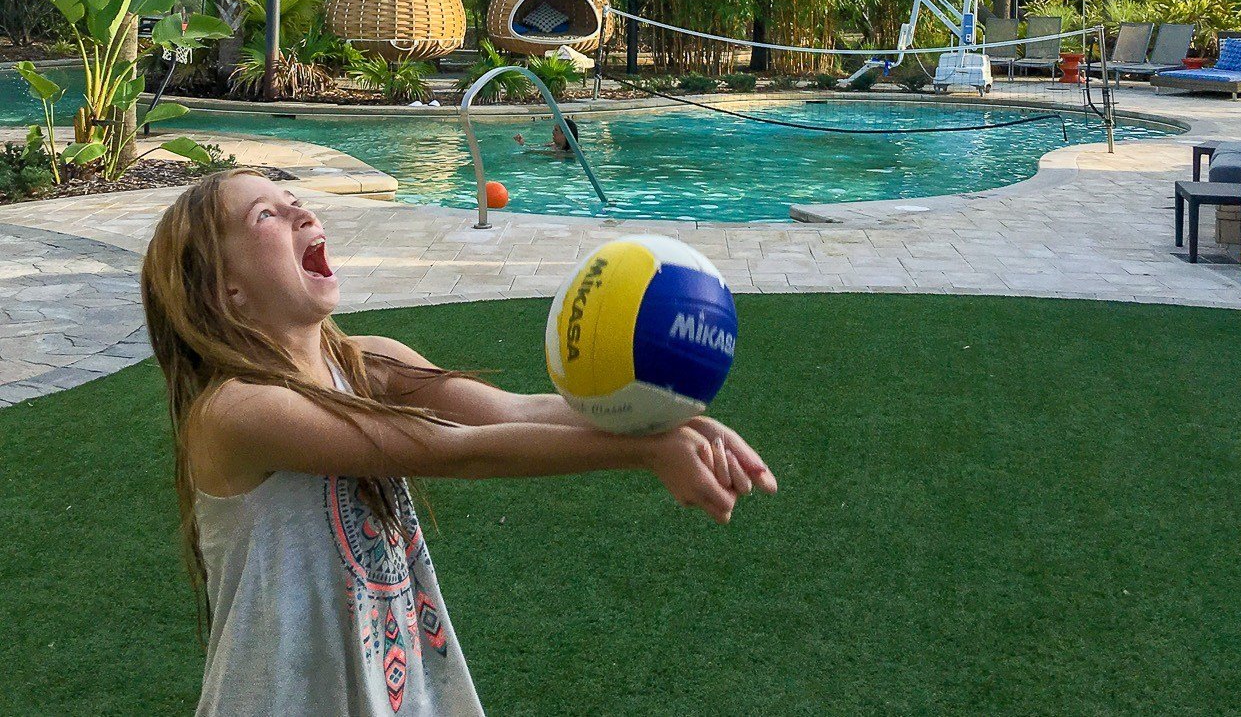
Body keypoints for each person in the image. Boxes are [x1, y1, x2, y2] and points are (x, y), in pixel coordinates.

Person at [141, 170, 775, 717]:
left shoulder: (369, 363)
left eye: (292, 198)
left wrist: (663, 422)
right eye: (266, 216)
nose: (300, 211)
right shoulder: (235, 412)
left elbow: (509, 412)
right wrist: (640, 452)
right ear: (226, 289)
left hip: (385, 686)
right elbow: (458, 447)